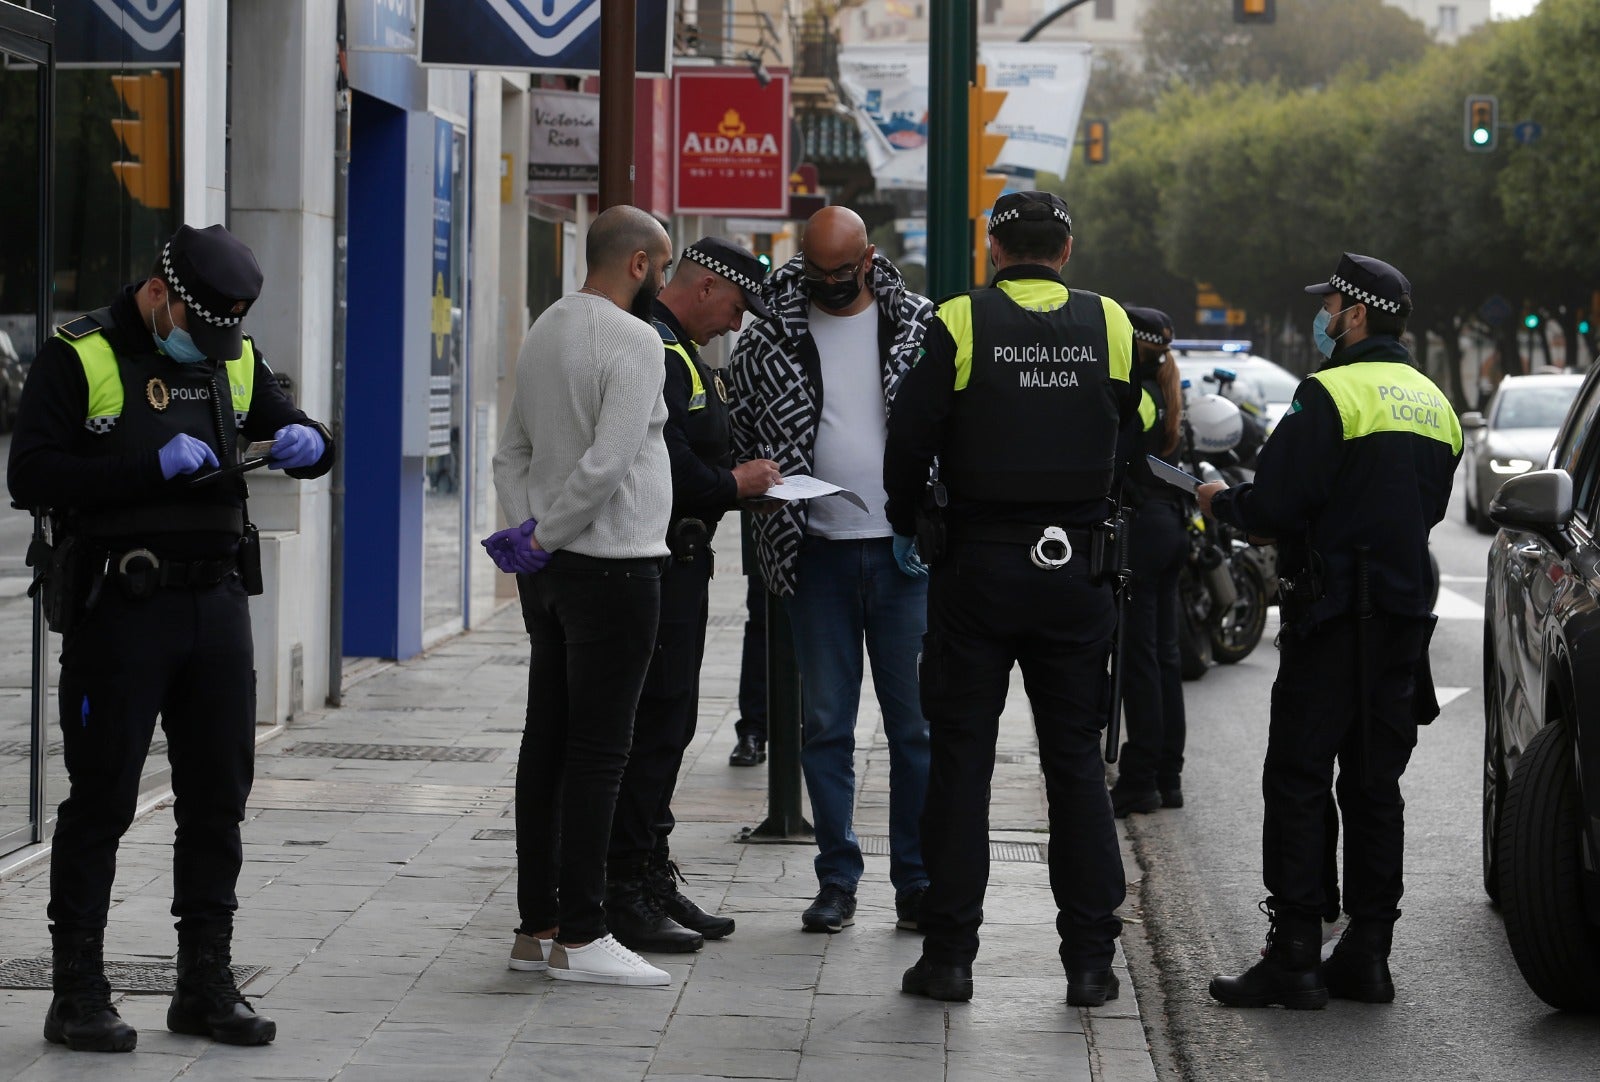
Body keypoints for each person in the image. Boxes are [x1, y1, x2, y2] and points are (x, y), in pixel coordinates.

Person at [7, 224, 335, 1052]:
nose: (208, 342)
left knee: (218, 801)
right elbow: (31, 473)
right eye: (196, 323)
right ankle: (78, 990)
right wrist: (142, 469)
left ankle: (204, 985)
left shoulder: (229, 352)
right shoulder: (78, 355)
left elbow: (294, 424)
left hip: (216, 606)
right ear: (159, 294)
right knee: (103, 802)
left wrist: (312, 443)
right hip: (121, 607)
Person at [884, 190, 1138, 1007]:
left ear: (995, 252)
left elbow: (910, 438)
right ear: (1065, 251)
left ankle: (950, 958)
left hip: (978, 573)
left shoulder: (959, 320)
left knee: (961, 764)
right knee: (1075, 766)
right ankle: (1091, 964)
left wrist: (910, 518)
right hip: (1078, 572)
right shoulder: (1111, 324)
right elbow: (1130, 437)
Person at [1200, 253, 1460, 1009]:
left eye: (1332, 306)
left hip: (1335, 613)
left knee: (1300, 779)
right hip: (1405, 616)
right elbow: (1430, 510)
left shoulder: (1329, 392)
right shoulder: (1433, 401)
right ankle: (1368, 955)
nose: (1325, 318)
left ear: (1355, 314)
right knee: (1376, 786)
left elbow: (1277, 501)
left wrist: (1221, 502)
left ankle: (1294, 957)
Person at [729, 205, 934, 934]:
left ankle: (916, 880)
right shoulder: (768, 336)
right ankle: (837, 878)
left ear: (869, 258)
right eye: (816, 273)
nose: (828, 287)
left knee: (915, 730)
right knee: (825, 726)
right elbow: (740, 431)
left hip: (903, 555)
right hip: (812, 551)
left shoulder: (919, 324)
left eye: (842, 274)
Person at [485, 205, 676, 987]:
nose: (665, 277)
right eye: (663, 263)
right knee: (600, 752)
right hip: (615, 565)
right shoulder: (634, 340)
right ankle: (587, 933)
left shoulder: (547, 327)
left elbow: (510, 452)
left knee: (549, 744)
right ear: (638, 263)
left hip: (554, 575)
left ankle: (540, 925)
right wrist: (551, 534)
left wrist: (528, 534)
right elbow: (608, 463)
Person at [604, 238, 782, 954]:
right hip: (657, 562)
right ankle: (625, 890)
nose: (737, 325)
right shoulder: (655, 347)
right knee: (650, 728)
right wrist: (733, 485)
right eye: (737, 307)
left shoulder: (680, 351)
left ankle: (649, 869)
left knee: (671, 725)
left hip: (682, 561)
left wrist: (735, 484)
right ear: (706, 288)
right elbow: (665, 459)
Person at [1108, 306, 1190, 817]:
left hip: (1142, 530)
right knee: (1164, 658)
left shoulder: (1136, 396)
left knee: (1140, 661)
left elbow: (1112, 461)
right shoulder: (1165, 391)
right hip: (1169, 526)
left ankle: (1140, 779)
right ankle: (1167, 776)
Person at [727, 560, 769, 767]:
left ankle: (817, 728)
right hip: (770, 537)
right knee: (762, 620)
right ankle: (753, 730)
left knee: (818, 625)